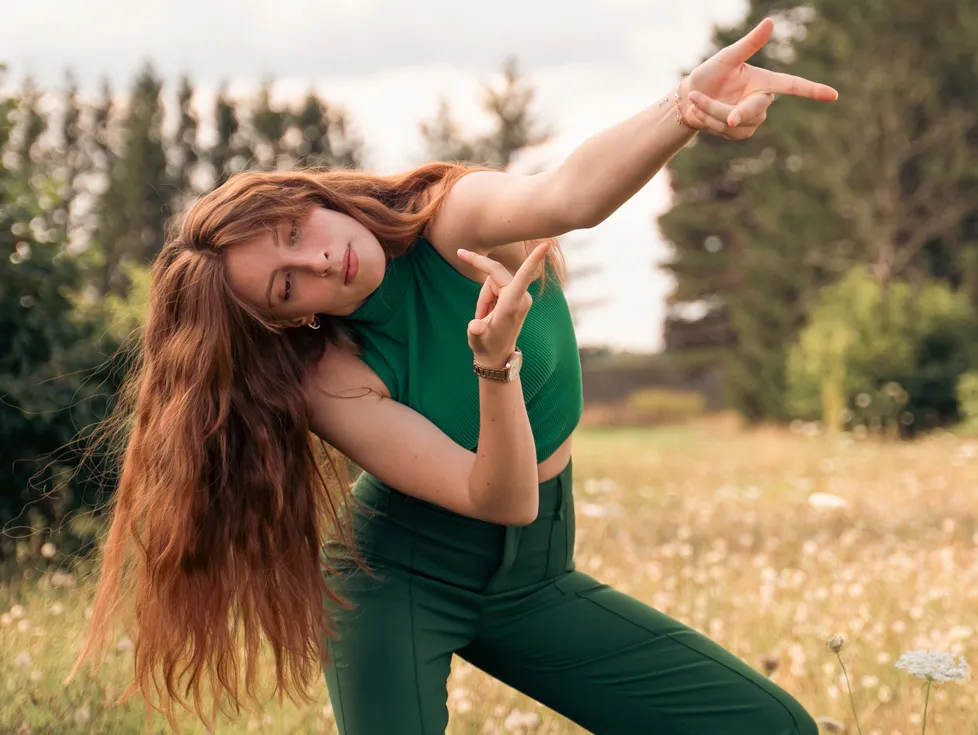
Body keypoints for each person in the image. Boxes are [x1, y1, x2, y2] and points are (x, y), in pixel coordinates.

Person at [69, 18, 837, 734]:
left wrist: (684, 108)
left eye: (293, 233)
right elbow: (497, 496)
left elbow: (568, 194)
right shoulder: (329, 374)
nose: (318, 261)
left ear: (309, 196)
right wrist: (492, 367)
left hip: (535, 576)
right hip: (397, 582)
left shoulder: (444, 217)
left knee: (771, 725)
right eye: (286, 285)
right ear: (286, 320)